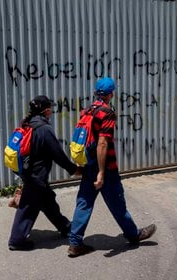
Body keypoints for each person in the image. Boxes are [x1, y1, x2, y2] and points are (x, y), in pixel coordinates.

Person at [68, 77, 157, 257]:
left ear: (95, 93)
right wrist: (101, 172)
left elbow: (81, 139)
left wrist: (81, 164)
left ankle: (75, 243)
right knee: (117, 202)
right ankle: (133, 235)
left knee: (84, 202)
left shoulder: (86, 111)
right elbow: (102, 143)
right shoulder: (106, 112)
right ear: (111, 94)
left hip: (88, 163)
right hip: (105, 167)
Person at [8, 95, 81, 251]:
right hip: (36, 177)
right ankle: (16, 240)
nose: (52, 112)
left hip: (29, 173)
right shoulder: (44, 129)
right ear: (46, 110)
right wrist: (74, 169)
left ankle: (66, 227)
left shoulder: (27, 123)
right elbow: (57, 154)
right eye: (51, 109)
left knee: (48, 201)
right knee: (28, 207)